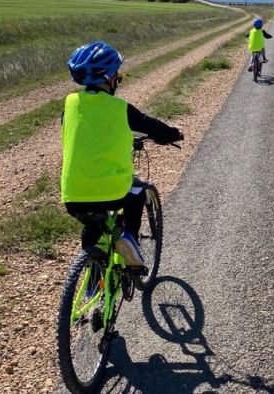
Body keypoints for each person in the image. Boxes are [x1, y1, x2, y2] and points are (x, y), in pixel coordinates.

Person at [62, 41, 183, 271]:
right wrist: (172, 134)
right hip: (113, 191)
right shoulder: (121, 108)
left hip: (72, 193)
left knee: (92, 222)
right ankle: (129, 238)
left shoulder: (69, 105)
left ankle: (92, 278)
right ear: (109, 78)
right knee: (137, 192)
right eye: (117, 74)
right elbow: (151, 126)